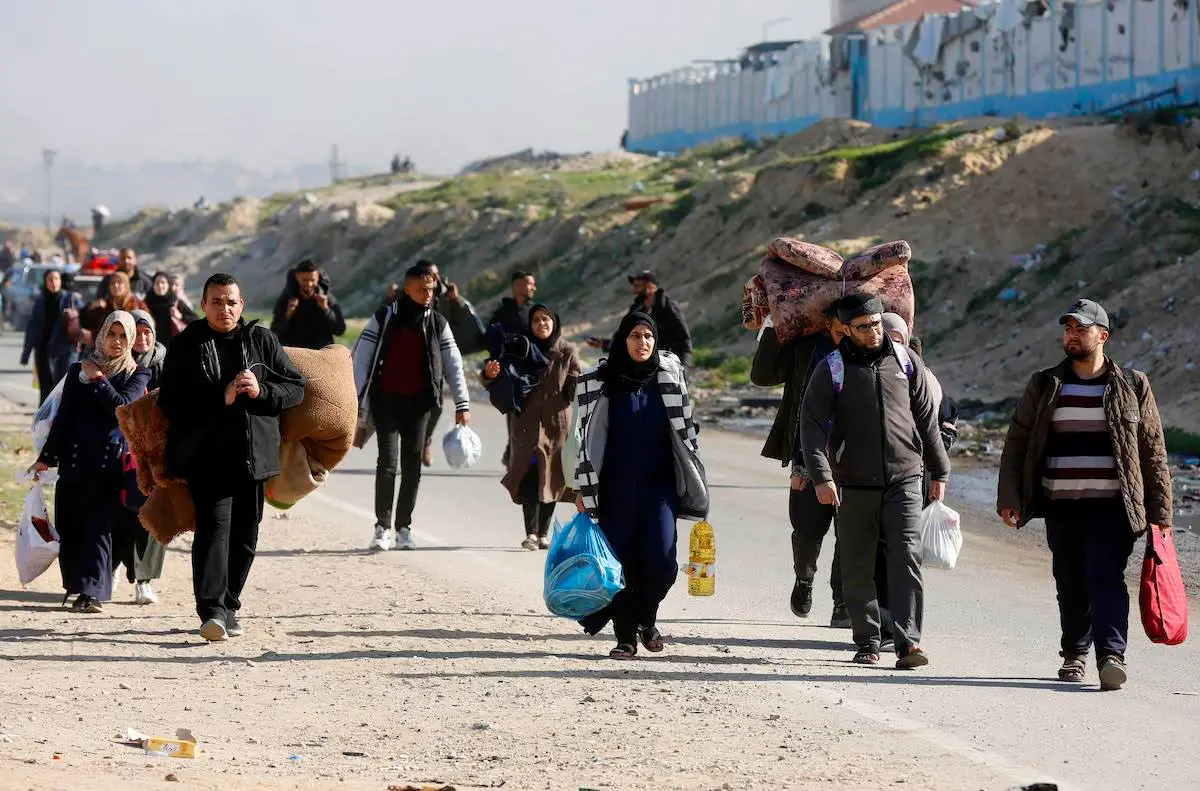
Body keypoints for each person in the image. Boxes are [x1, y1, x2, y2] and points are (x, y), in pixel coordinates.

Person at [997, 299, 1172, 691]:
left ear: (1103, 336)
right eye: (1068, 329)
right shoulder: (1045, 384)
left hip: (1113, 506)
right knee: (1070, 581)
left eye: (1081, 329)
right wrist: (1010, 496)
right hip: (1061, 503)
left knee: (1106, 577)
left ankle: (1112, 655)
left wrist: (1162, 513)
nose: (1071, 336)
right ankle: (1075, 654)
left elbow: (1153, 451)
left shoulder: (1132, 385)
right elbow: (1018, 443)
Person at [799, 294, 949, 669]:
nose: (873, 332)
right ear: (845, 330)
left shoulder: (905, 361)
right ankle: (867, 638)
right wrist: (821, 476)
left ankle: (908, 642)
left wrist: (939, 470)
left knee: (906, 558)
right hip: (851, 483)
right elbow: (811, 426)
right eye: (863, 327)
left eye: (877, 324)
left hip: (905, 478)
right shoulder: (832, 369)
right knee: (857, 563)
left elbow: (927, 419)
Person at [157, 273, 306, 642]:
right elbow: (169, 403)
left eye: (231, 301)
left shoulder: (261, 340)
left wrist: (262, 390)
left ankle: (230, 605)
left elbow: (296, 388)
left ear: (241, 305)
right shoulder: (187, 344)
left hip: (255, 457)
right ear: (203, 304)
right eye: (216, 301)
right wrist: (218, 398)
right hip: (207, 458)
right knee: (213, 531)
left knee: (245, 535)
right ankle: (211, 611)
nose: (224, 308)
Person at [573, 312, 709, 659]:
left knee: (662, 560)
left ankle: (646, 617)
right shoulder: (599, 384)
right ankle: (626, 638)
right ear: (623, 339)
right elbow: (582, 439)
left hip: (659, 487)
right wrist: (581, 487)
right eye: (635, 335)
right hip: (615, 488)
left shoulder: (667, 380)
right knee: (619, 563)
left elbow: (687, 429)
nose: (643, 342)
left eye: (649, 335)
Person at [28, 312, 151, 614]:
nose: (117, 342)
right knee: (71, 527)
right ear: (102, 335)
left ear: (132, 340)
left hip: (109, 466)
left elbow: (121, 408)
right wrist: (46, 458)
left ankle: (92, 592)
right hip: (73, 462)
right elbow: (64, 418)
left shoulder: (139, 374)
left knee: (98, 529)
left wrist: (97, 378)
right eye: (112, 334)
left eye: (124, 336)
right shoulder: (77, 371)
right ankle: (76, 586)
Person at [353, 264, 471, 552]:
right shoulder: (385, 317)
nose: (427, 294)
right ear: (407, 289)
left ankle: (404, 528)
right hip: (387, 403)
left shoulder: (438, 323)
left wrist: (462, 403)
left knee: (412, 468)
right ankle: (382, 528)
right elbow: (361, 359)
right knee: (387, 465)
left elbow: (454, 363)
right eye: (421, 289)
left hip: (420, 407)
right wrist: (354, 400)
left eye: (431, 289)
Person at [753, 300, 852, 625]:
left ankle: (842, 600)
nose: (847, 333)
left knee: (850, 533)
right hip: (808, 455)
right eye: (841, 326)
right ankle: (805, 577)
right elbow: (763, 374)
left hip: (855, 459)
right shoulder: (807, 349)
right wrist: (771, 325)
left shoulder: (871, 353)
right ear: (826, 322)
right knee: (808, 529)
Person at [482, 304, 581, 549]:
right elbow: (498, 378)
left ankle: (544, 533)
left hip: (556, 426)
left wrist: (580, 383)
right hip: (524, 424)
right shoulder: (519, 347)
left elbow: (576, 387)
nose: (541, 324)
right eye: (536, 320)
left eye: (545, 319)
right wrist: (490, 375)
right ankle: (531, 533)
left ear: (554, 322)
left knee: (552, 478)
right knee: (529, 474)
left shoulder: (566, 351)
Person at [106, 310, 168, 604]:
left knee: (153, 514)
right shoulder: (117, 365)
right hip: (121, 453)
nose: (142, 338)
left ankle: (144, 581)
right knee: (120, 512)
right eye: (137, 332)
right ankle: (115, 567)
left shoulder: (167, 364)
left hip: (157, 452)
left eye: (148, 333)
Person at [413, 260, 486, 466]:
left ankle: (425, 441)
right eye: (429, 276)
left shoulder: (446, 295)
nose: (434, 280)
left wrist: (457, 301)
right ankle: (412, 442)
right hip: (415, 356)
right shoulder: (412, 293)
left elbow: (466, 322)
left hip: (441, 353)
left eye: (436, 275)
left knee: (435, 405)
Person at [881, 314, 960, 501]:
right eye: (887, 340)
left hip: (916, 474)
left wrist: (937, 460)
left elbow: (947, 417)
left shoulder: (923, 377)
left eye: (898, 341)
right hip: (868, 479)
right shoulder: (860, 374)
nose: (893, 347)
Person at [587, 271, 694, 367]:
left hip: (664, 364)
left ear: (650, 286)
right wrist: (604, 344)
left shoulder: (668, 308)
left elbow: (683, 340)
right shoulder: (636, 308)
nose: (635, 290)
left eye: (638, 286)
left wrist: (683, 368)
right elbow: (625, 336)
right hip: (639, 365)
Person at [21, 269, 86, 404]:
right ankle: (44, 420)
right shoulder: (40, 300)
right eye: (50, 279)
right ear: (45, 282)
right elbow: (32, 327)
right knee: (45, 389)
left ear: (61, 281)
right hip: (43, 350)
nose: (53, 282)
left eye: (56, 279)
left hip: (65, 350)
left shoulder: (70, 298)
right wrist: (26, 354)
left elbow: (85, 318)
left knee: (64, 387)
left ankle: (62, 420)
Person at [269, 259, 346, 349]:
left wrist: (326, 309)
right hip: (294, 355)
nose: (309, 284)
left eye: (312, 280)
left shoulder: (326, 299)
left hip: (320, 355)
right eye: (305, 280)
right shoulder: (287, 299)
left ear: (318, 278)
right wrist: (288, 314)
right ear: (297, 277)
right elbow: (274, 332)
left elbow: (340, 330)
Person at [83, 272, 148, 338]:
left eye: (119, 282)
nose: (115, 285)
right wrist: (91, 307)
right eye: (113, 283)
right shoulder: (104, 305)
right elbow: (92, 328)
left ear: (126, 285)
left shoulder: (137, 304)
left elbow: (146, 326)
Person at [144, 272, 197, 348]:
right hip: (154, 348)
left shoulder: (176, 302)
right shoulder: (146, 304)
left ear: (168, 285)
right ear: (152, 285)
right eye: (157, 283)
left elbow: (196, 321)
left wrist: (181, 316)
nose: (160, 286)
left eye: (163, 282)